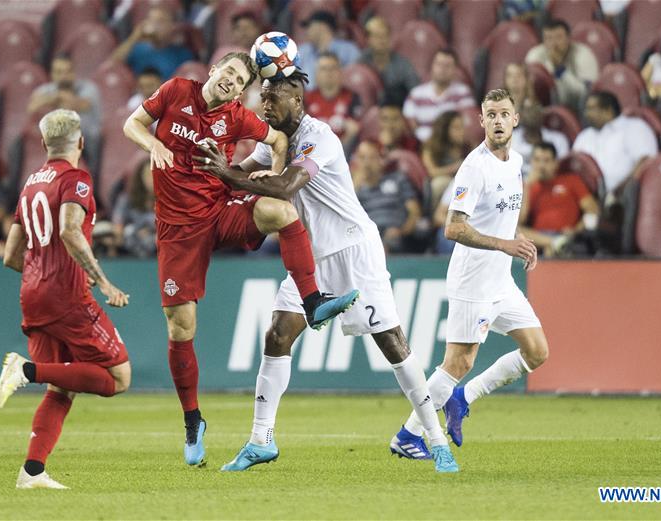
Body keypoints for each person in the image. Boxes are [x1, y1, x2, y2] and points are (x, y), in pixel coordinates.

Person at [195, 71, 458, 473]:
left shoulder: (321, 138)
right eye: (261, 98)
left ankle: (435, 441)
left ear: (296, 101)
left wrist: (227, 174)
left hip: (353, 252)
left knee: (392, 344)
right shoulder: (275, 143)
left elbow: (283, 187)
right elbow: (234, 177)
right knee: (277, 334)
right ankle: (260, 439)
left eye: (272, 99)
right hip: (310, 259)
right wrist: (205, 169)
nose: (264, 106)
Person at [122, 52, 359, 466]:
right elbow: (132, 124)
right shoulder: (177, 90)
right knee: (181, 327)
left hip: (220, 209)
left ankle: (313, 302)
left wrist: (275, 173)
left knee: (280, 209)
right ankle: (193, 420)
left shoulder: (236, 117)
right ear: (212, 72)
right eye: (228, 73)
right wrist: (154, 144)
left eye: (241, 80)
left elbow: (279, 139)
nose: (232, 82)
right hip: (178, 231)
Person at [391, 88, 548, 457]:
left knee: (537, 351)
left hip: (500, 280)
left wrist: (518, 239)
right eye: (490, 114)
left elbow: (502, 217)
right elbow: (453, 228)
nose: (497, 120)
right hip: (472, 280)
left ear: (515, 119)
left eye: (503, 113)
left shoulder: (516, 162)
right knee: (458, 362)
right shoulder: (473, 168)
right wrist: (506, 245)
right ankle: (408, 435)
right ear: (481, 121)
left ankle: (463, 397)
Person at [0, 109, 132, 490]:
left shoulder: (30, 185)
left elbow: (10, 256)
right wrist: (102, 281)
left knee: (62, 387)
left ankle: (32, 473)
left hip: (32, 294)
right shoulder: (76, 179)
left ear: (43, 144)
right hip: (67, 296)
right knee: (119, 378)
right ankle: (24, 371)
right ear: (81, 143)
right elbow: (71, 231)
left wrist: (40, 275)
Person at [519, 142, 599, 256]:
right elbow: (519, 221)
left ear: (555, 163)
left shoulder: (571, 180)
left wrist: (576, 230)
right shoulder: (527, 187)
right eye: (537, 160)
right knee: (514, 231)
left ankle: (556, 243)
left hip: (565, 235)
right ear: (531, 162)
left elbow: (593, 210)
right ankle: (554, 243)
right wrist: (526, 187)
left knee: (550, 251)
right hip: (537, 237)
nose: (541, 165)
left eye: (546, 161)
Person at [572, 91, 657, 198]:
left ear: (608, 111)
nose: (586, 114)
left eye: (591, 109)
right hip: (585, 197)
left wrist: (619, 192)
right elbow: (573, 164)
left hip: (625, 197)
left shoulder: (634, 128)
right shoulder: (584, 136)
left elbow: (646, 162)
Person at [352, 140, 422, 253]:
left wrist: (402, 231)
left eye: (371, 157)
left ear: (382, 159)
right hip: (368, 237)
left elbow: (415, 212)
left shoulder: (398, 179)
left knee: (389, 242)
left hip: (396, 235)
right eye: (362, 158)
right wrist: (355, 186)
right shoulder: (353, 187)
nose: (366, 163)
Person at [525, 19, 599, 109]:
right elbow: (529, 87)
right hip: (543, 104)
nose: (553, 43)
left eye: (558, 37)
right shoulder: (535, 55)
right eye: (548, 38)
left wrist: (560, 69)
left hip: (577, 107)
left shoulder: (582, 54)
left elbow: (585, 92)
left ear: (568, 38)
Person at [403, 50, 475, 142]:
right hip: (421, 146)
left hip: (450, 145)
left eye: (447, 66)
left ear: (455, 70)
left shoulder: (463, 93)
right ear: (432, 66)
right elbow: (408, 124)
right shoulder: (416, 94)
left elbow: (466, 125)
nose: (442, 69)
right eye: (439, 64)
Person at [28, 56, 101, 145]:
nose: (64, 76)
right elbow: (32, 108)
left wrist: (52, 100)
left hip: (86, 142)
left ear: (74, 73)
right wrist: (57, 97)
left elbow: (81, 105)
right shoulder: (45, 89)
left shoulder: (88, 87)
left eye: (68, 71)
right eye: (59, 72)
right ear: (52, 74)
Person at [110, 6, 194, 78]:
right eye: (151, 20)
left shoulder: (182, 54)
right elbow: (113, 65)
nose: (154, 25)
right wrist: (134, 37)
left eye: (160, 22)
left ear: (171, 26)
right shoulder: (138, 49)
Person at [304, 52, 361, 152]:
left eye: (333, 68)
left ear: (340, 72)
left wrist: (335, 152)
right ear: (316, 74)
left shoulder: (352, 97)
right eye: (324, 69)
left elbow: (354, 130)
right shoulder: (307, 98)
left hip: (343, 153)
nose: (328, 73)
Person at [359, 16, 420, 106]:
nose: (382, 40)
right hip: (369, 110)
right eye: (377, 36)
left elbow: (415, 92)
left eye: (385, 36)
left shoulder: (403, 64)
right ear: (368, 39)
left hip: (396, 111)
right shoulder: (361, 61)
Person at [296, 10, 360, 91]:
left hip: (340, 98)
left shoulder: (349, 50)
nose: (307, 31)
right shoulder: (303, 51)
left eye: (309, 26)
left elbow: (356, 78)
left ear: (321, 27)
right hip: (308, 99)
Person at [422, 111, 471, 205]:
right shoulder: (431, 146)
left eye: (462, 127)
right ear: (444, 129)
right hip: (442, 183)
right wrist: (455, 167)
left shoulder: (467, 146)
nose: (461, 131)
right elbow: (432, 172)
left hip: (463, 182)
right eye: (456, 128)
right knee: (439, 183)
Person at [112, 156, 156, 257]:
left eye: (154, 174)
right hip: (131, 251)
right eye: (147, 175)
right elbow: (118, 227)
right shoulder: (126, 199)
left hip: (159, 251)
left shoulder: (169, 200)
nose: (151, 179)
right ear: (140, 177)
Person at [510, 103, 570, 175]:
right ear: (519, 117)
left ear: (542, 115)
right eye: (528, 111)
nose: (532, 115)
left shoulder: (559, 140)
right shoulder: (508, 140)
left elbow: (562, 169)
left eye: (535, 110)